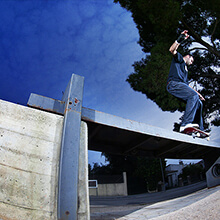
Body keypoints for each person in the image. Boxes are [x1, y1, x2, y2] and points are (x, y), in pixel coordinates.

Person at [167, 30, 205, 132]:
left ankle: (199, 128)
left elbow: (187, 86)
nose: (191, 63)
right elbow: (172, 50)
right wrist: (180, 39)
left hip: (180, 85)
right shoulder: (179, 60)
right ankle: (185, 124)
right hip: (173, 84)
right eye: (191, 61)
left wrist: (198, 94)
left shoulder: (185, 72)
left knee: (198, 102)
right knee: (193, 96)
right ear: (188, 57)